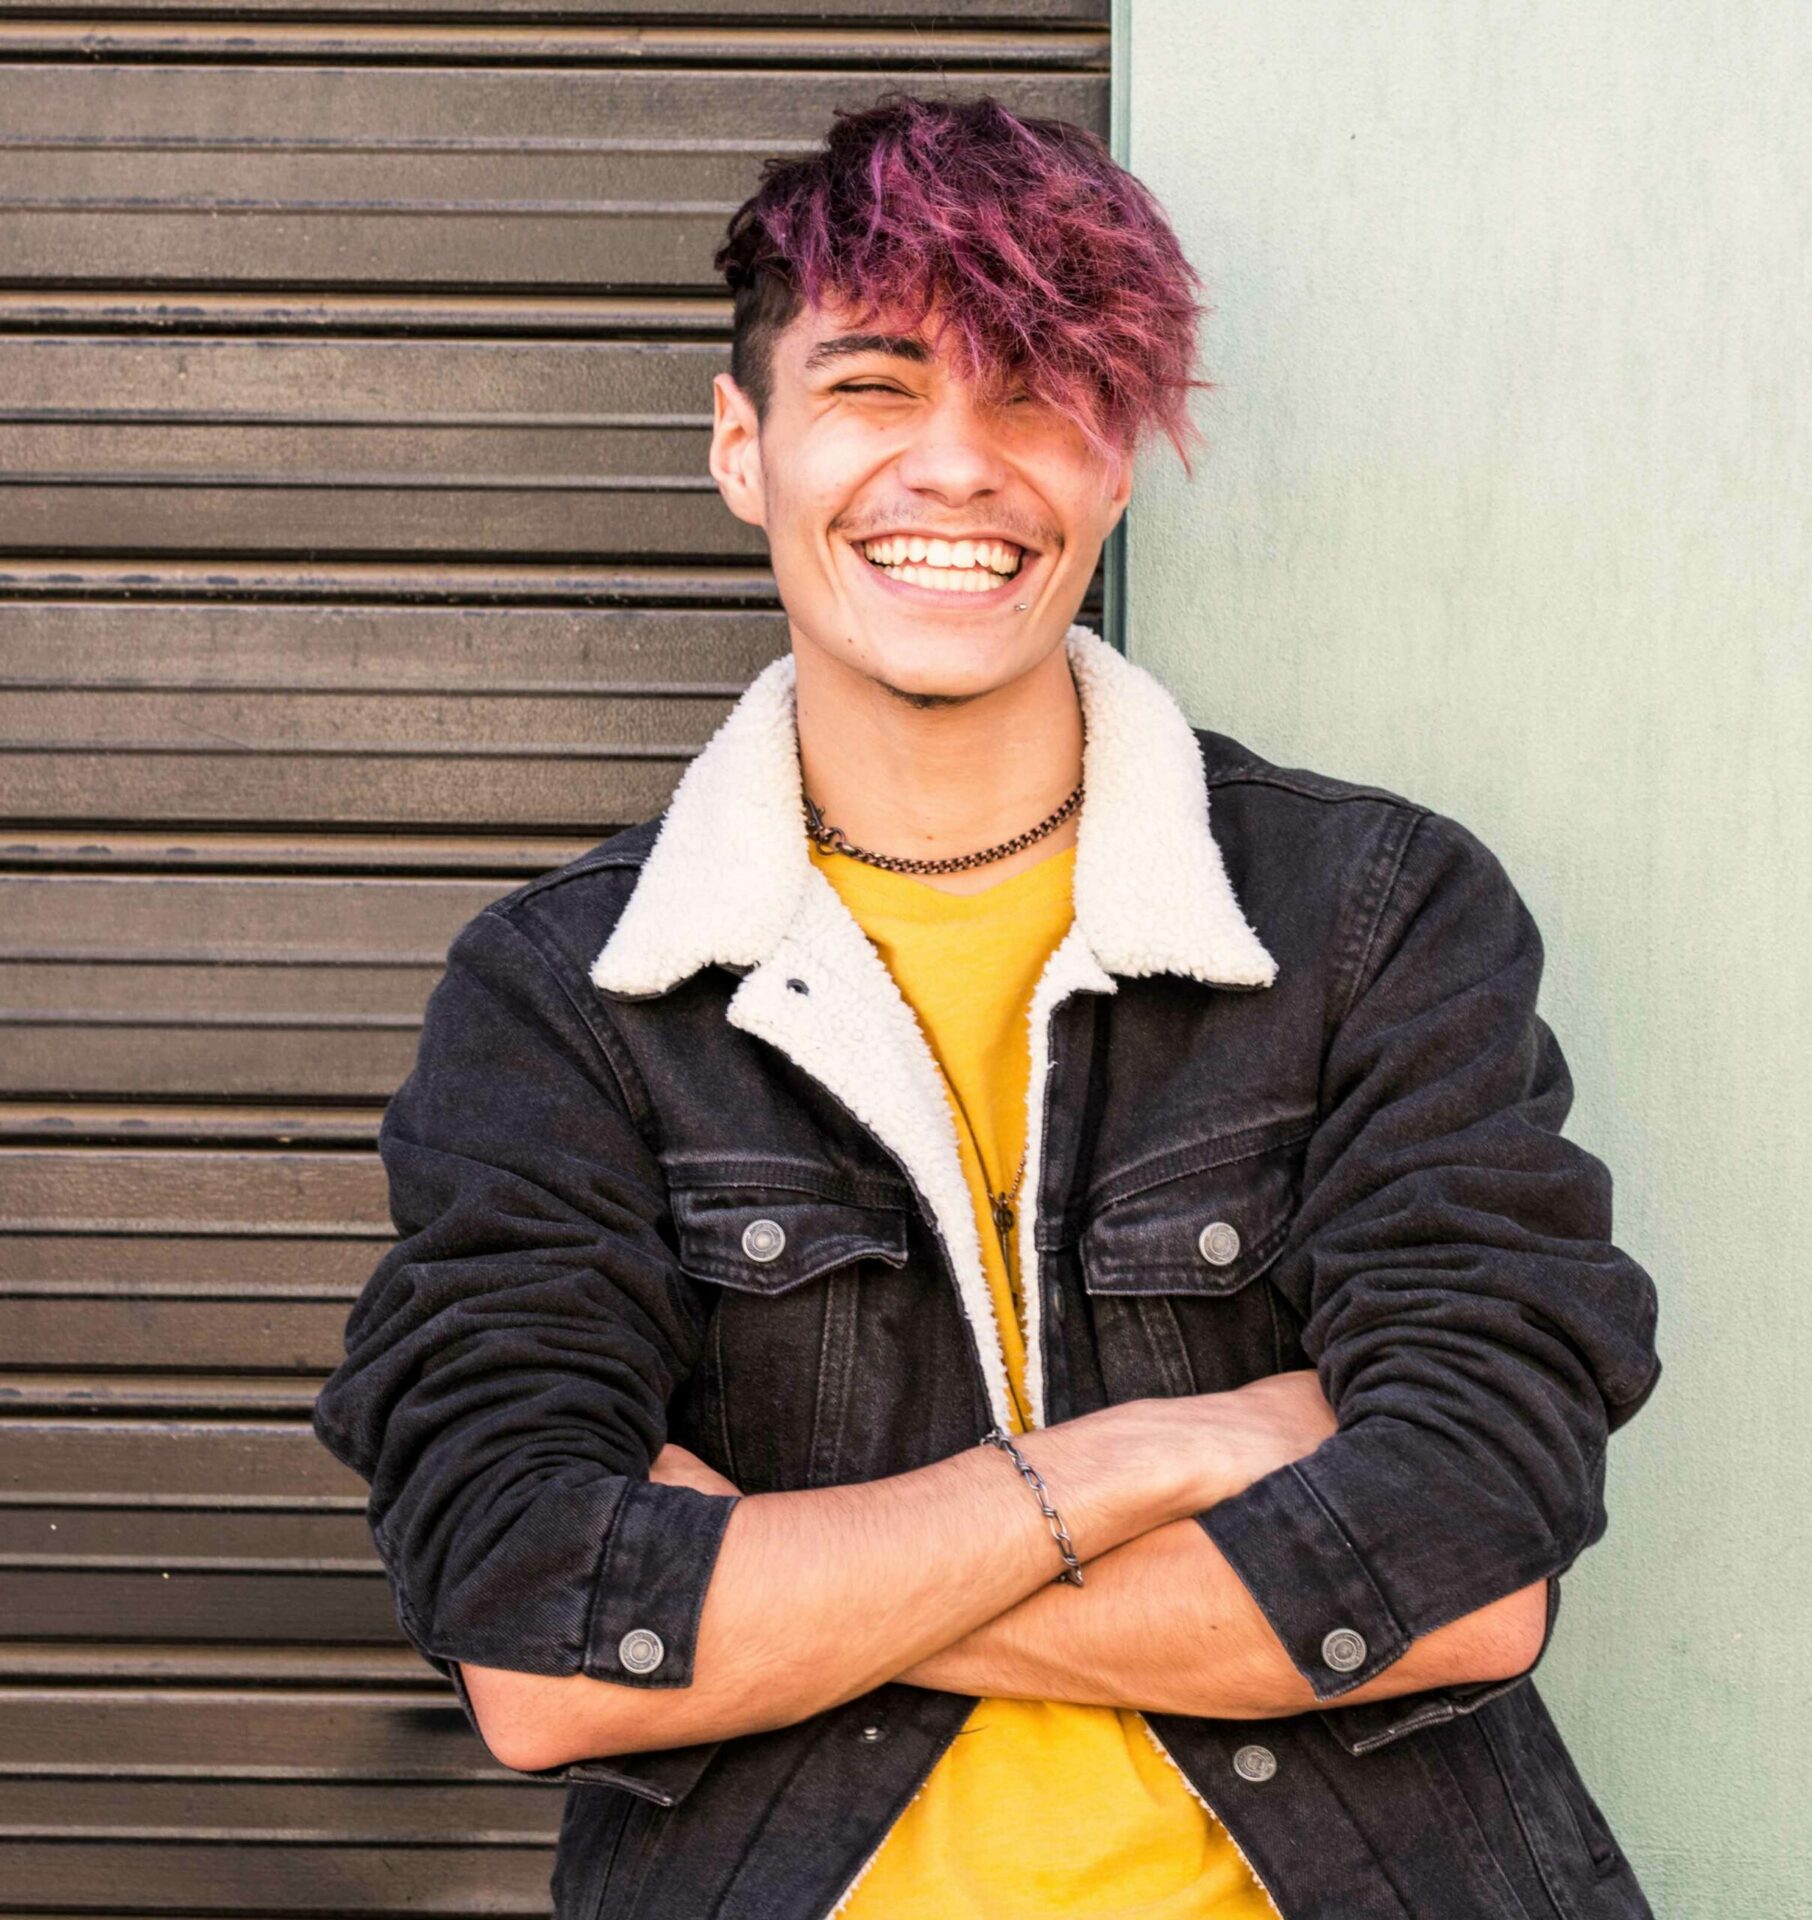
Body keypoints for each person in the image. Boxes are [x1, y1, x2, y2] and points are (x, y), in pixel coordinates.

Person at [312, 92, 1663, 1920]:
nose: (959, 468)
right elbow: (535, 1638)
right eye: (873, 388)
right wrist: (1141, 1459)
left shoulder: (1371, 917)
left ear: (1113, 466)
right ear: (741, 445)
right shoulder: (567, 998)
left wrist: (775, 1590)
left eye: (1035, 393)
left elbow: (1469, 1567)